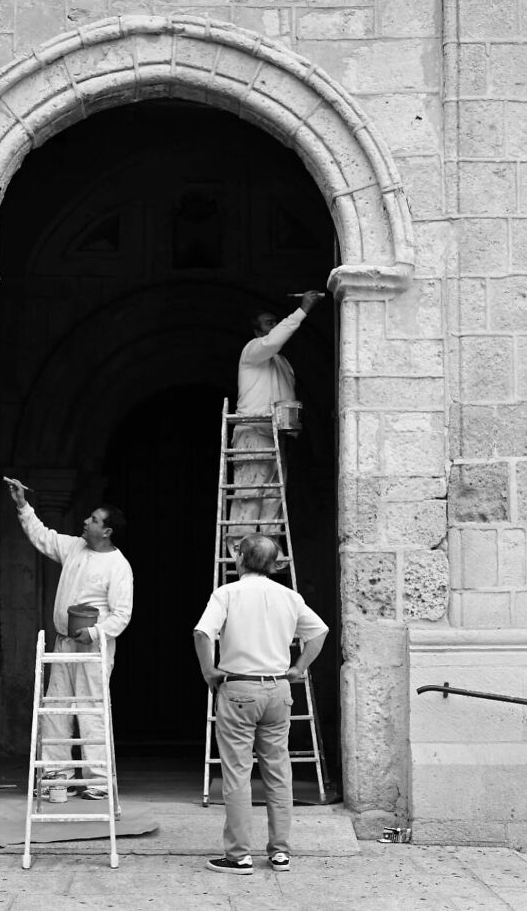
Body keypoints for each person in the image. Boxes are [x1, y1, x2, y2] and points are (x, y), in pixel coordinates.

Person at [193, 533, 328, 874]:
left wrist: (209, 671)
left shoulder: (227, 594)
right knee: (278, 772)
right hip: (278, 689)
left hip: (238, 689)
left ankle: (239, 855)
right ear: (273, 564)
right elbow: (319, 632)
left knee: (238, 774)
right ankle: (280, 852)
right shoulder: (289, 596)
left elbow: (202, 633)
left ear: (240, 559)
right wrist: (298, 667)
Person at [7, 479, 133, 801]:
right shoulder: (75, 547)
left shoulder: (119, 566)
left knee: (91, 710)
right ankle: (56, 777)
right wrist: (23, 505)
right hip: (64, 643)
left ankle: (99, 781)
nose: (85, 522)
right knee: (57, 708)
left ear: (106, 531)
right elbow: (43, 537)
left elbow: (121, 615)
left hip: (94, 647)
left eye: (93, 520)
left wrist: (91, 632)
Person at [227, 291, 321, 556]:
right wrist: (302, 311)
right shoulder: (253, 350)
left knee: (272, 502)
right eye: (268, 323)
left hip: (275, 436)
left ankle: (267, 556)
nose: (274, 326)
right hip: (253, 433)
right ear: (257, 331)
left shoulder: (283, 364)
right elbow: (272, 342)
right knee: (249, 496)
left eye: (274, 321)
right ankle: (240, 554)